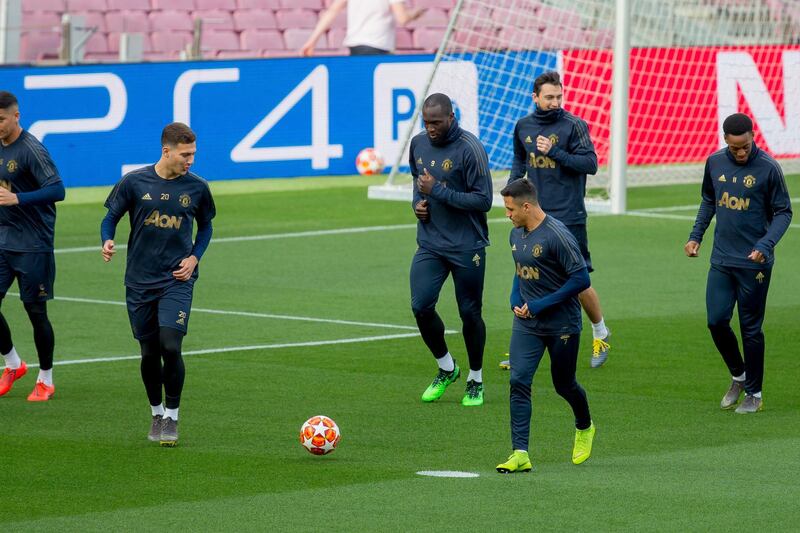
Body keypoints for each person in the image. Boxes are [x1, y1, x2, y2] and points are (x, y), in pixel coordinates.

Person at [101, 123, 216, 446]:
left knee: (170, 345)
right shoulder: (134, 182)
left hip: (176, 280)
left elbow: (205, 227)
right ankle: (156, 411)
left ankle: (173, 417)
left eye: (193, 153)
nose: (190, 160)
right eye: (185, 154)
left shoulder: (197, 188)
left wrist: (194, 258)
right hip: (139, 281)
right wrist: (107, 240)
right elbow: (110, 217)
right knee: (149, 352)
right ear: (167, 151)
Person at [501, 70, 611, 370]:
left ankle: (600, 331)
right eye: (549, 97)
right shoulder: (523, 126)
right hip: (534, 216)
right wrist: (510, 194)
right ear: (535, 97)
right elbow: (518, 160)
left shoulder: (573, 126)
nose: (555, 102)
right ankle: (524, 343)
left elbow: (590, 164)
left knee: (578, 279)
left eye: (559, 97)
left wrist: (557, 152)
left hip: (568, 215)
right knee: (527, 272)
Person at [685, 113, 791, 414]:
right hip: (722, 258)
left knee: (750, 329)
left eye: (745, 146)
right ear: (725, 142)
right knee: (716, 321)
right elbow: (709, 200)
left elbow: (784, 212)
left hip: (754, 264)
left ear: (753, 136)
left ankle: (754, 393)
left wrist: (764, 244)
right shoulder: (715, 162)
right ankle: (739, 375)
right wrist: (696, 237)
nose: (741, 153)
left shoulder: (769, 168)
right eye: (735, 149)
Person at [495, 178, 595, 474]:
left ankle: (585, 426)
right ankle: (520, 452)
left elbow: (581, 280)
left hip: (561, 324)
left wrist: (540, 303)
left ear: (526, 206)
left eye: (510, 209)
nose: (507, 215)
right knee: (518, 381)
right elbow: (520, 270)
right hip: (526, 324)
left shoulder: (558, 235)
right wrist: (515, 296)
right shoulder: (516, 234)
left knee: (564, 384)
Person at [410, 93, 492, 406]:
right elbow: (416, 182)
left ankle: (475, 378)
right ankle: (447, 367)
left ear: (451, 118)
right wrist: (416, 204)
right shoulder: (418, 143)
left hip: (466, 245)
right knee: (421, 306)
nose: (430, 128)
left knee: (469, 313)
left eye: (436, 122)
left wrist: (439, 192)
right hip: (431, 242)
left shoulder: (470, 149)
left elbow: (483, 200)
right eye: (426, 122)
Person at [0, 91, 65, 402]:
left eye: (0, 119)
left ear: (16, 116)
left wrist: (18, 198)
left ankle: (46, 378)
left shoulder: (31, 150)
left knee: (35, 312)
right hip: (3, 238)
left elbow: (58, 190)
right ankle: (13, 363)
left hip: (33, 243)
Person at [300, 0, 425, 57]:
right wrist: (416, 13)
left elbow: (332, 10)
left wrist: (312, 41)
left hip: (355, 46)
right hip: (378, 46)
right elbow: (402, 18)